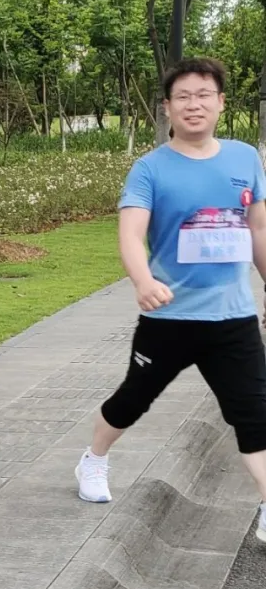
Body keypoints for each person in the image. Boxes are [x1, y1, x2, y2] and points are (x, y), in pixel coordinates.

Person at [74, 57, 266, 546]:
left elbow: (258, 229)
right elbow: (131, 234)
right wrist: (141, 280)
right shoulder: (150, 168)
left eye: (204, 94)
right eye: (184, 97)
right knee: (131, 402)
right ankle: (94, 460)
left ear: (221, 103)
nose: (194, 104)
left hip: (233, 317)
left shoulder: (246, 159)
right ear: (168, 108)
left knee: (254, 414)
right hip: (169, 317)